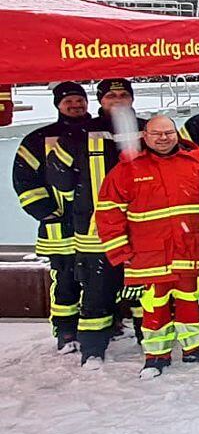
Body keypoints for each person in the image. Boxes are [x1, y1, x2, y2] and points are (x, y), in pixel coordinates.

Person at [96, 116, 199, 378]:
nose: (163, 138)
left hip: (188, 249)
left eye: (168, 133)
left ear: (176, 133)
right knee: (154, 305)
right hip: (148, 254)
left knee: (190, 301)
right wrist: (121, 253)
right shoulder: (128, 169)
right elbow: (108, 212)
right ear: (145, 135)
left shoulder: (197, 163)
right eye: (156, 134)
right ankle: (156, 355)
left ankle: (194, 347)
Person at [47, 78, 147, 370]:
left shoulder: (147, 128)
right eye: (111, 95)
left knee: (144, 288)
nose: (118, 99)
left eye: (123, 94)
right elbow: (58, 175)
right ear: (101, 100)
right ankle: (92, 349)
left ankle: (149, 339)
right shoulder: (80, 132)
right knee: (97, 290)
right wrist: (80, 201)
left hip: (142, 225)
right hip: (95, 229)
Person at [13, 82, 89, 353]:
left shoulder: (97, 131)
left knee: (99, 279)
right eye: (69, 101)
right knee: (65, 279)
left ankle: (104, 323)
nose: (75, 105)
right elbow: (24, 179)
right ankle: (65, 328)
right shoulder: (37, 139)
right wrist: (46, 211)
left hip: (96, 225)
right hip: (60, 228)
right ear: (58, 104)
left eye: (79, 100)